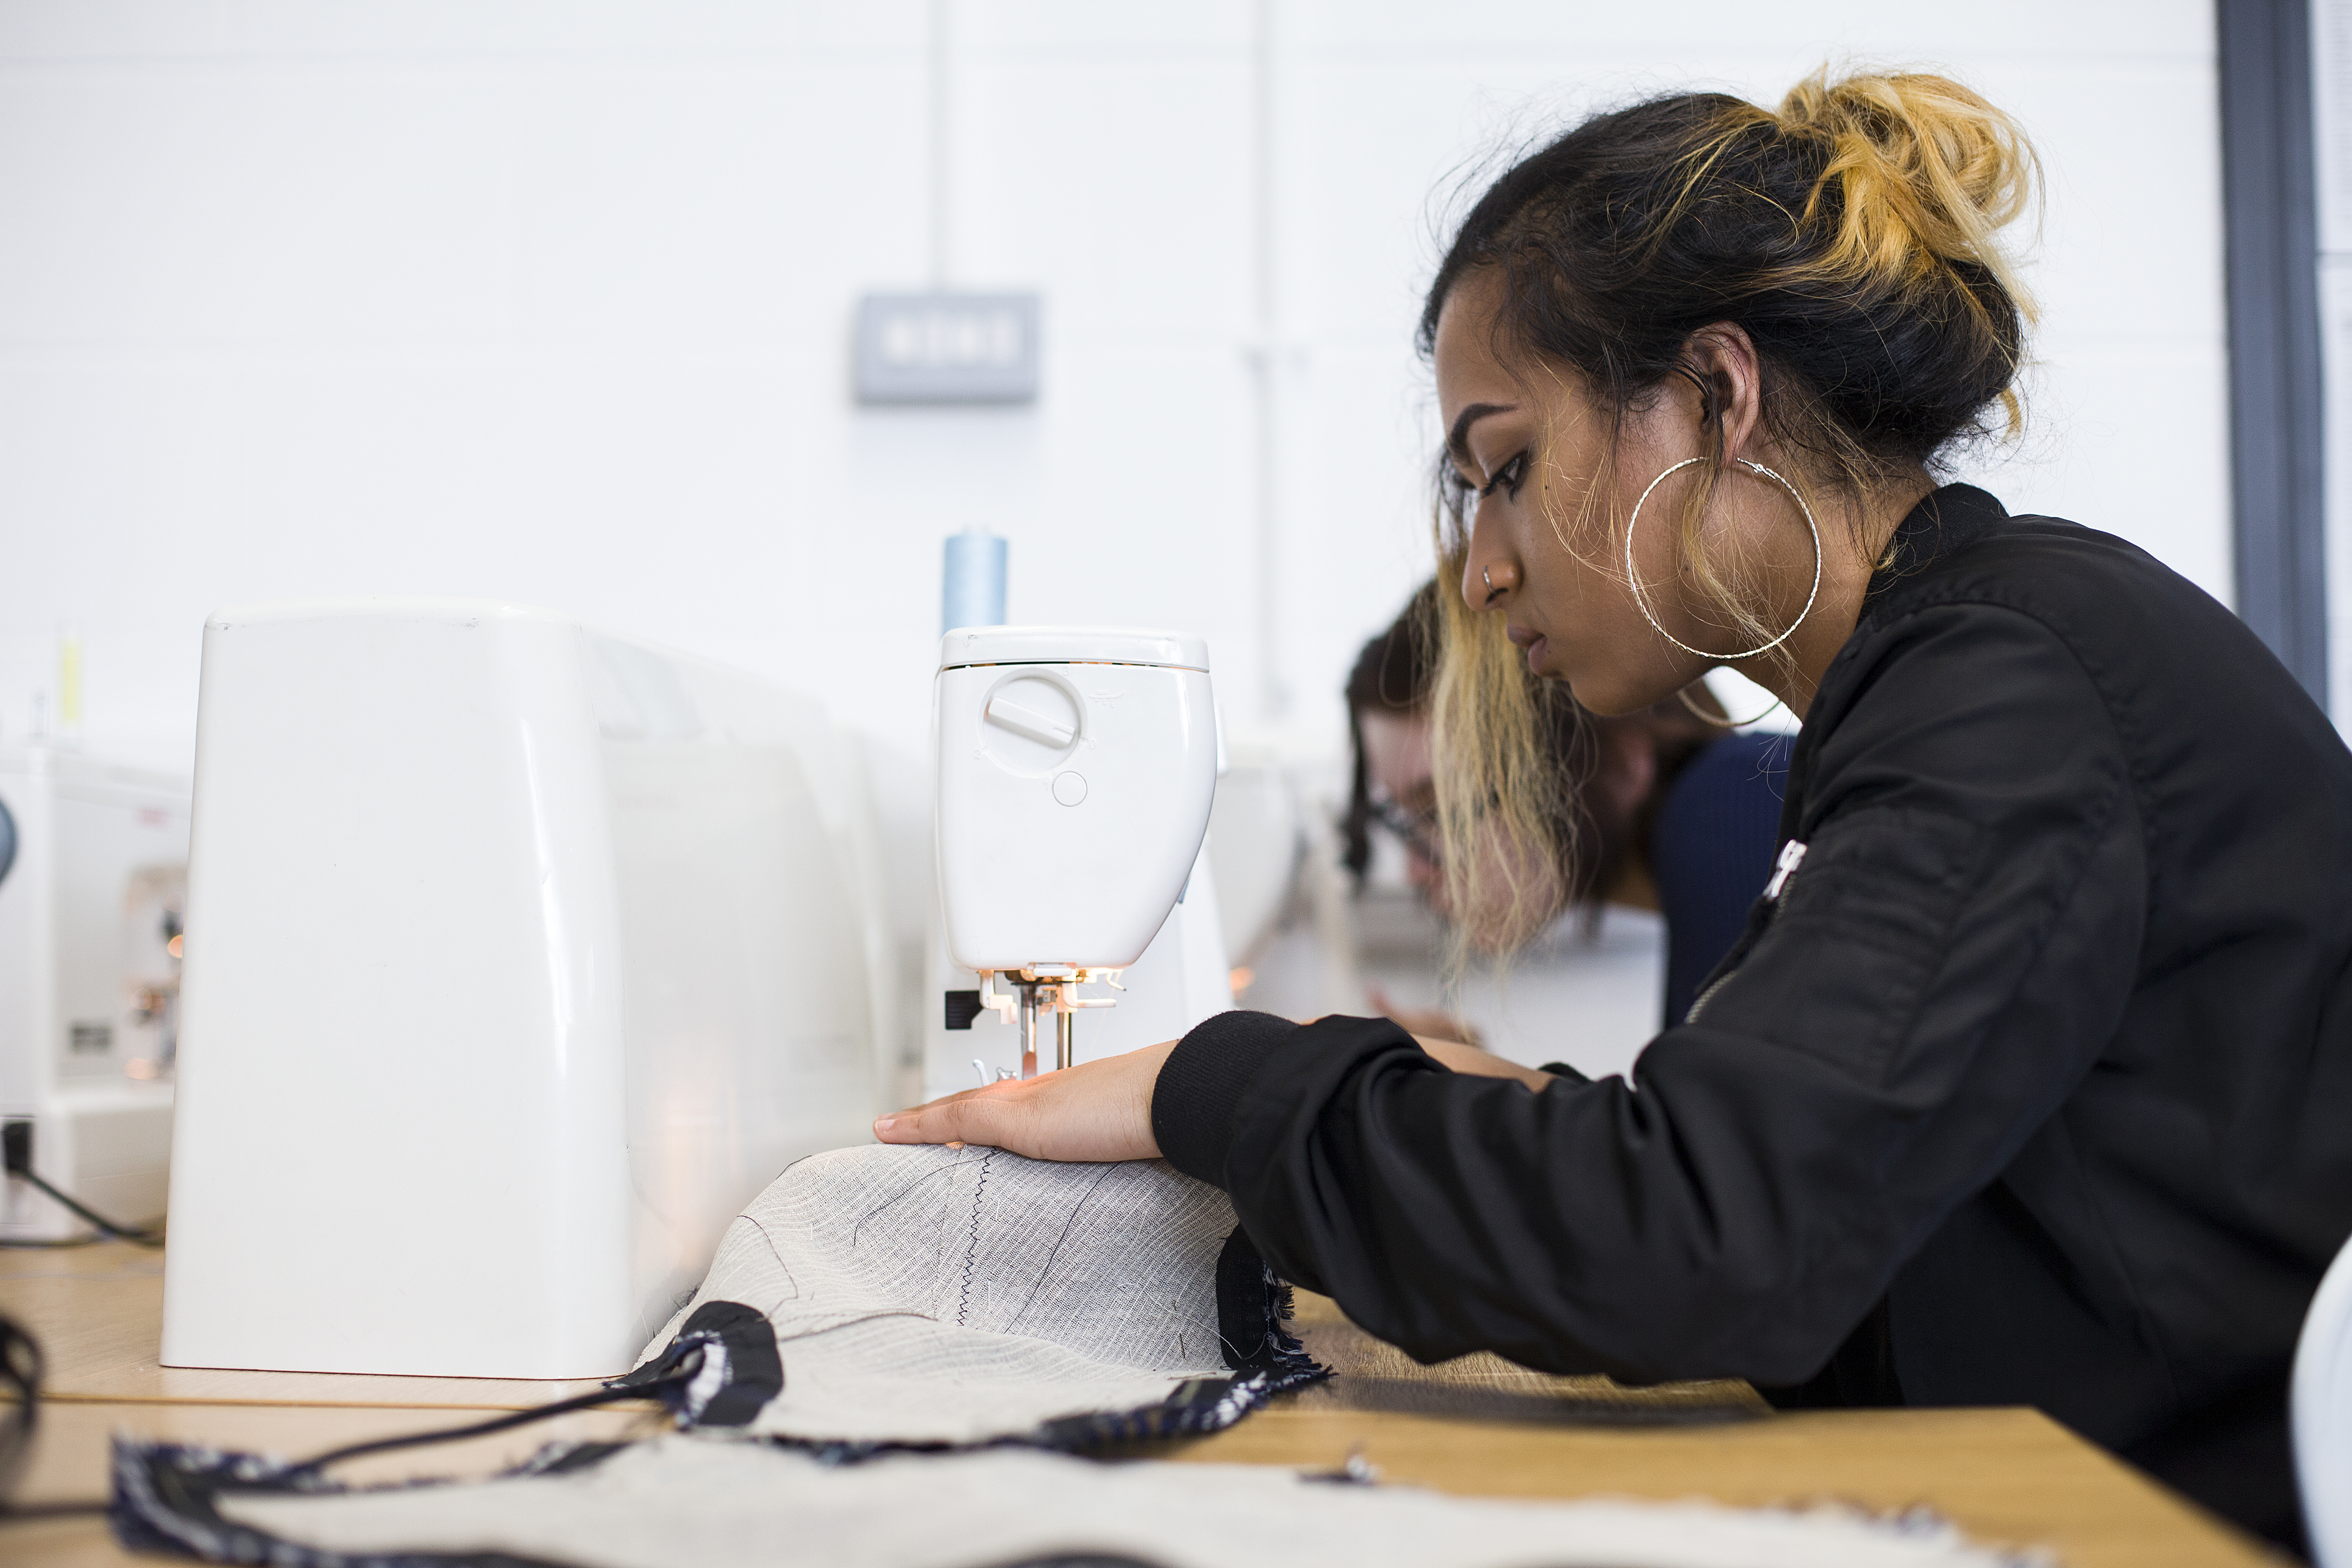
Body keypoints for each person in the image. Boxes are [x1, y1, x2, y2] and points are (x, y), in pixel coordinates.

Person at [877, 68, 2352, 1549]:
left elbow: (1711, 1245)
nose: (1481, 569)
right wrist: (1515, 1115)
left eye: (1506, 469)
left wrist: (1215, 1081)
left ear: (1715, 397)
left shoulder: (2005, 683)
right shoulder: (1952, 673)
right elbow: (1828, 1202)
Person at [1344, 582, 1785, 1031]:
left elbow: (1732, 1103)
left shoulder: (1735, 805)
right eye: (1401, 819)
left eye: (1440, 812)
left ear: (1621, 766)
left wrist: (1480, 1090)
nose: (1415, 871)